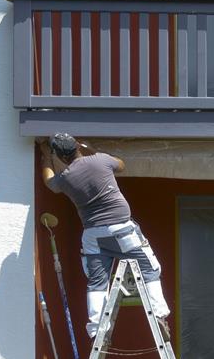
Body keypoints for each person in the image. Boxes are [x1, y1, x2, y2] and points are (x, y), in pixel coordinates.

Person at [38, 133, 171, 340]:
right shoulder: (100, 160)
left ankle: (96, 330)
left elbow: (49, 182)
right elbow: (121, 164)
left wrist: (46, 157)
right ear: (76, 146)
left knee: (97, 282)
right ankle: (160, 316)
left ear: (61, 158)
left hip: (93, 236)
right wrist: (92, 150)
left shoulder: (65, 178)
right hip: (122, 230)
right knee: (150, 270)